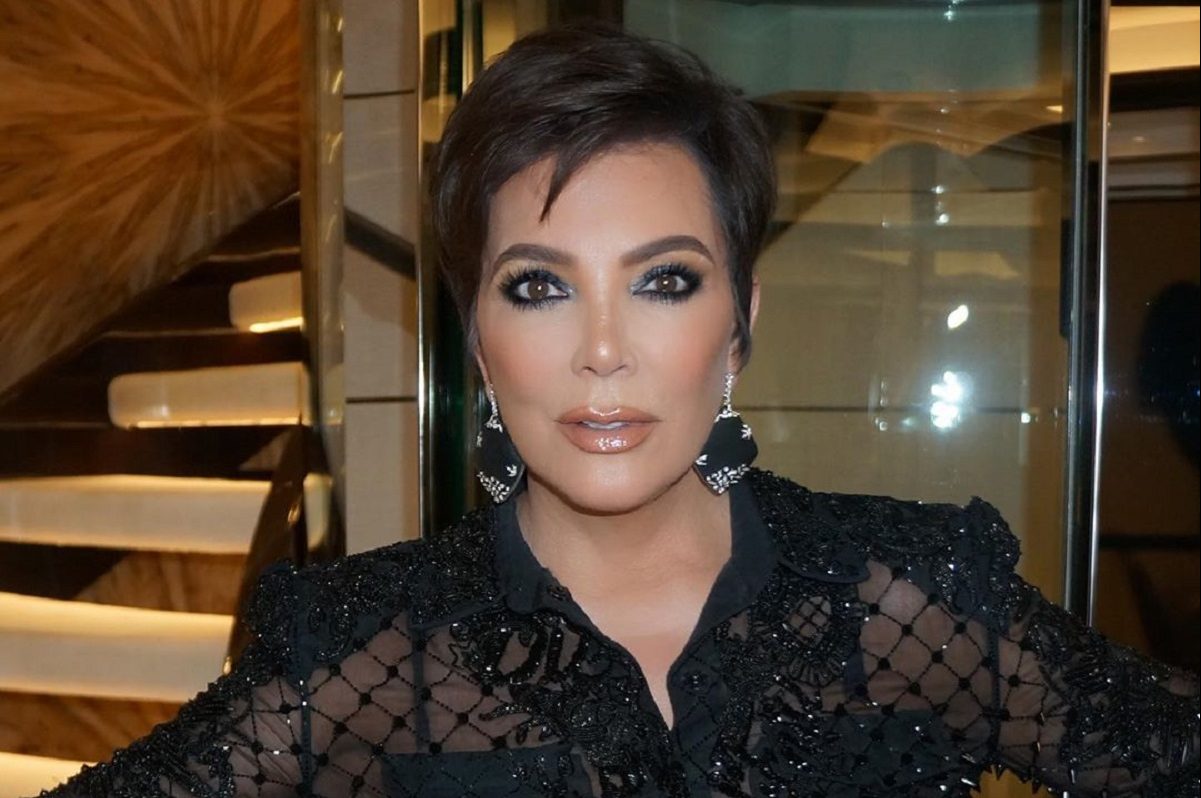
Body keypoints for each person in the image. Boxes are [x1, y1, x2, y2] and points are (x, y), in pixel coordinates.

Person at [43, 24, 1198, 798]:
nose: (602, 350)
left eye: (664, 281)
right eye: (538, 288)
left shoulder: (911, 597)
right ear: (477, 336)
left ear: (739, 321)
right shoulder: (358, 648)